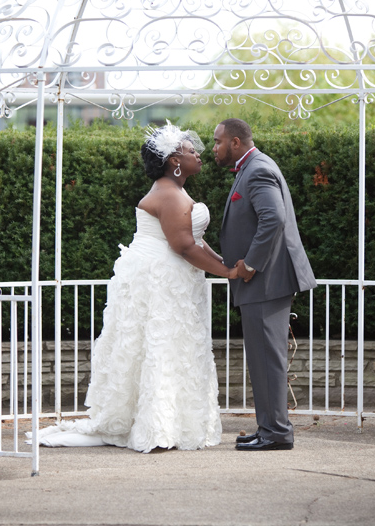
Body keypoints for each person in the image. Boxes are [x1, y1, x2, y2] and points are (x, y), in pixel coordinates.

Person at [34, 121, 238, 453]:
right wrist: (227, 273)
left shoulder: (175, 190)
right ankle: (157, 426)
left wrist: (224, 263)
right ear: (174, 162)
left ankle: (170, 421)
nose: (198, 154)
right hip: (160, 280)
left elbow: (197, 241)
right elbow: (184, 246)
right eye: (189, 151)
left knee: (171, 348)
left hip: (173, 279)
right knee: (161, 347)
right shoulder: (168, 194)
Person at [212, 118, 316, 451]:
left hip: (265, 279)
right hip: (262, 282)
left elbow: (273, 217)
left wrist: (250, 264)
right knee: (262, 358)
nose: (213, 148)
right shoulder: (250, 168)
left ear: (236, 143)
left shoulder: (257, 169)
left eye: (217, 142)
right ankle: (269, 427)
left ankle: (277, 432)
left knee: (268, 360)